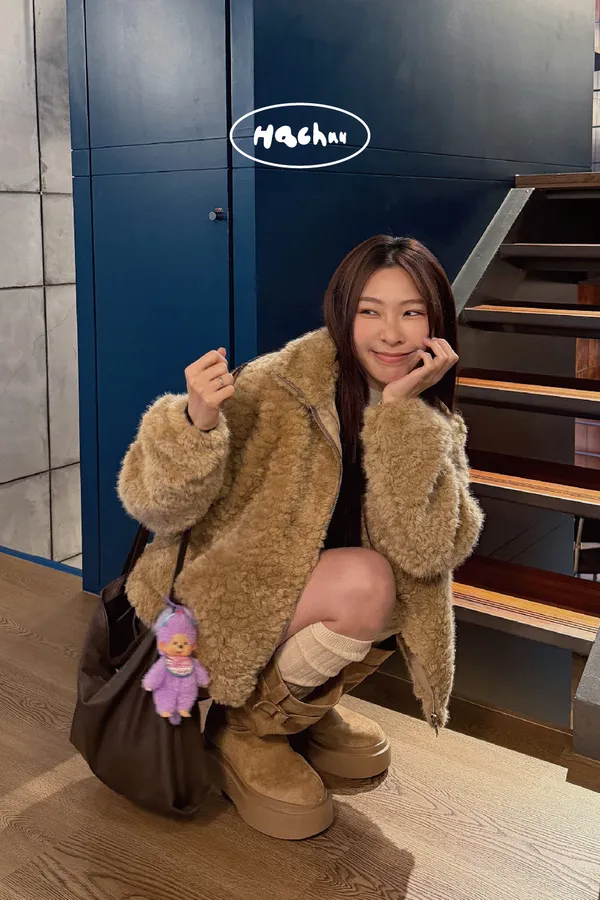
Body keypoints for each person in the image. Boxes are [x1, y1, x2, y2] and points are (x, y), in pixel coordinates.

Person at [117, 234, 484, 840]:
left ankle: (296, 709)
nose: (392, 334)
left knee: (404, 585)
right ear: (342, 313)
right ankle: (246, 729)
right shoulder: (275, 386)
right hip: (222, 599)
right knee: (370, 581)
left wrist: (400, 416)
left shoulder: (428, 412)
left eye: (412, 312)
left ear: (436, 323)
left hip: (307, 595)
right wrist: (194, 424)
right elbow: (154, 506)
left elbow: (430, 551)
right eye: (370, 311)